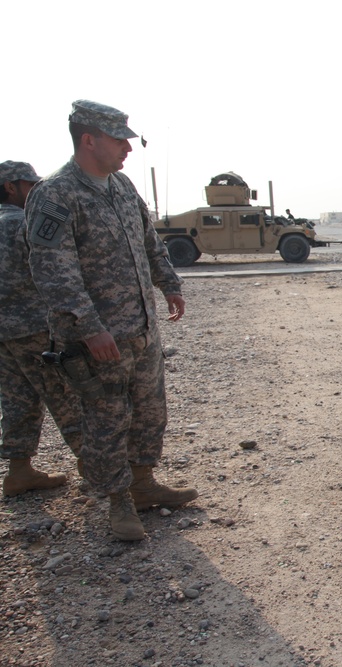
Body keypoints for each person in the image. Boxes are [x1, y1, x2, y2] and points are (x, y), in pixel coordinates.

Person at [25, 100, 197, 541]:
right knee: (105, 418)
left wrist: (169, 282)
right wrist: (89, 327)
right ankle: (118, 504)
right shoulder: (55, 194)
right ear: (89, 139)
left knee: (149, 410)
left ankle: (142, 484)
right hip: (97, 339)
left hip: (139, 329)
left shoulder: (120, 186)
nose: (127, 147)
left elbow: (148, 240)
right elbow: (52, 268)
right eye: (119, 138)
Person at [1, 161, 83, 497]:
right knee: (67, 398)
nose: (35, 190)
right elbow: (56, 269)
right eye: (28, 184)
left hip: (3, 335)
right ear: (10, 187)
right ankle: (101, 474)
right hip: (35, 329)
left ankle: (19, 472)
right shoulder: (22, 223)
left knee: (17, 400)